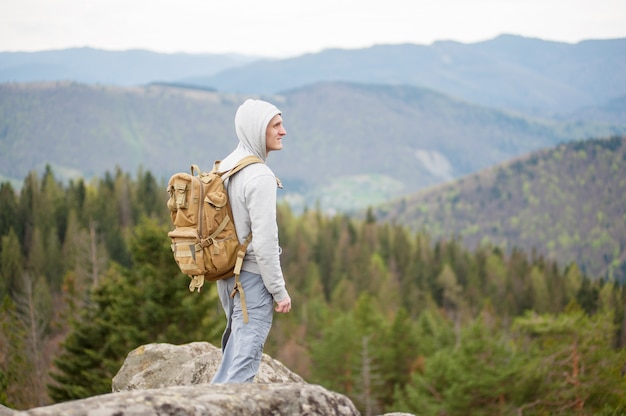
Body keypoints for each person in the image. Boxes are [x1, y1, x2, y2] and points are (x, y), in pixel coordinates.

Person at [211, 98, 292, 384]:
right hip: (252, 280)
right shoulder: (260, 175)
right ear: (258, 129)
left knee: (235, 350)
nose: (283, 131)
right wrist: (279, 291)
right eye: (276, 125)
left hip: (227, 274)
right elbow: (266, 243)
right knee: (244, 361)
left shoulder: (227, 165)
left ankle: (211, 403)